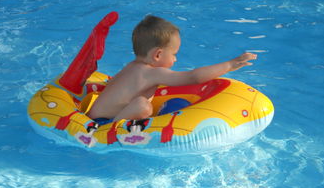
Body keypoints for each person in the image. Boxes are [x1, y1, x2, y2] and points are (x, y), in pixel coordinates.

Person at [87, 15, 257, 123]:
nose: (176, 59)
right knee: (143, 106)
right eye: (174, 54)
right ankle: (113, 127)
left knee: (142, 104)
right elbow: (193, 77)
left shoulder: (132, 67)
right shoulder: (152, 72)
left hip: (92, 117)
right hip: (104, 123)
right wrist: (230, 64)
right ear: (158, 55)